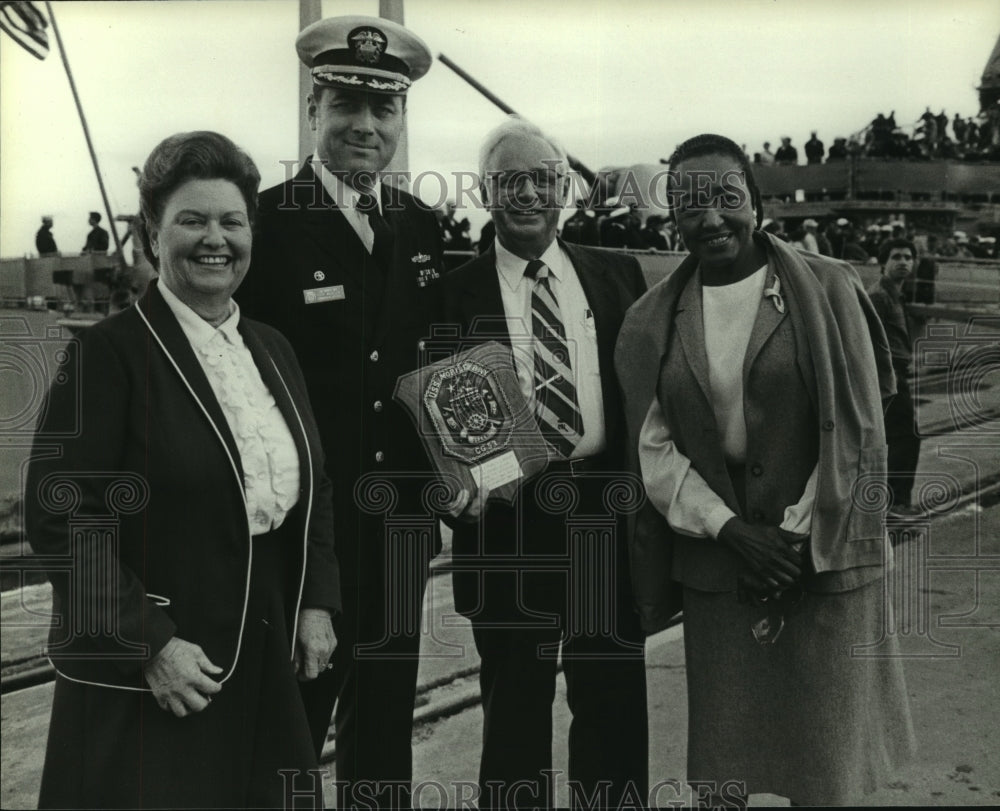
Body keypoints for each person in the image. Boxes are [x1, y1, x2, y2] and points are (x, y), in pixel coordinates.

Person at [25, 131, 341, 808]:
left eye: (231, 221)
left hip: (264, 657)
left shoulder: (273, 348)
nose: (214, 239)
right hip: (163, 672)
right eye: (191, 220)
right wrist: (149, 643)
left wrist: (317, 597)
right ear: (152, 234)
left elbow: (314, 484)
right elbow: (61, 516)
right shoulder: (107, 355)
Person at [616, 133, 915, 806]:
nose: (711, 217)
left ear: (757, 202)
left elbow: (861, 419)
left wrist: (793, 532)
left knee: (825, 767)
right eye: (690, 202)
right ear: (673, 215)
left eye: (727, 197)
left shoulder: (830, 289)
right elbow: (653, 447)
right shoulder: (651, 320)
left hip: (824, 556)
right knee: (725, 770)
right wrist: (730, 530)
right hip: (724, 570)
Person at [234, 15, 443, 808]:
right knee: (290, 722)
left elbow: (436, 367)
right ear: (314, 111)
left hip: (398, 525)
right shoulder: (261, 224)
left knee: (385, 721)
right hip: (302, 531)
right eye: (347, 105)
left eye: (382, 110)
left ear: (400, 122)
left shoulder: (423, 226)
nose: (365, 125)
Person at [442, 117, 649, 809]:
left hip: (603, 513)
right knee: (515, 709)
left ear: (563, 189)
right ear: (484, 191)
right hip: (508, 520)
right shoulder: (449, 292)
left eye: (542, 179)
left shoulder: (617, 275)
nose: (527, 193)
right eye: (510, 180)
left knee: (613, 698)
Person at [868, 238, 922, 515]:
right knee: (906, 437)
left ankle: (888, 499)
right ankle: (897, 501)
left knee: (891, 438)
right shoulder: (879, 296)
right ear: (883, 263)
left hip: (894, 374)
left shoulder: (895, 294)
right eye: (896, 257)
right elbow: (868, 338)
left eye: (908, 257)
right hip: (887, 376)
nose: (903, 262)